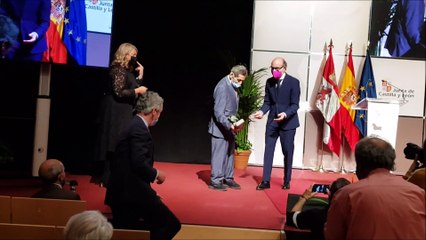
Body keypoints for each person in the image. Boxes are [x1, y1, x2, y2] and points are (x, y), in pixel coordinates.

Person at [105, 91, 181, 240]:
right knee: (170, 224)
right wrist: (157, 174)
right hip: (129, 194)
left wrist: (148, 191)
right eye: (159, 113)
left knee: (134, 230)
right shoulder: (139, 129)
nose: (159, 117)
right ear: (154, 111)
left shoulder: (134, 124)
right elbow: (138, 163)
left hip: (127, 192)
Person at [324, 136, 425, 240]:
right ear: (392, 163)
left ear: (360, 165)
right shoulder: (419, 193)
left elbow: (332, 235)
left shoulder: (346, 194)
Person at [95, 42, 148, 186]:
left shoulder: (127, 71)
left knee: (121, 143)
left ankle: (117, 176)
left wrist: (140, 74)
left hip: (123, 110)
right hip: (115, 110)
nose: (135, 58)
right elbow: (119, 92)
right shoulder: (117, 70)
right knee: (114, 143)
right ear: (125, 54)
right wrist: (137, 91)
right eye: (133, 55)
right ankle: (107, 178)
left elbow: (133, 88)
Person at [254, 57, 300, 190]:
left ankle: (286, 180)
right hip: (272, 122)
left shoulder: (293, 82)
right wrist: (262, 112)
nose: (274, 71)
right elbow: (267, 102)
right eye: (272, 68)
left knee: (287, 152)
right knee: (268, 151)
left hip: (288, 123)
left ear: (284, 68)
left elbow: (295, 105)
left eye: (277, 68)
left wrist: (285, 114)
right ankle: (265, 181)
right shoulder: (269, 82)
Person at [208, 65, 248, 191]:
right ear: (232, 75)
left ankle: (228, 178)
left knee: (229, 154)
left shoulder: (231, 85)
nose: (240, 83)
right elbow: (218, 112)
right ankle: (216, 180)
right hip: (220, 128)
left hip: (230, 127)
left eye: (242, 81)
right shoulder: (222, 87)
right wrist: (229, 124)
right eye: (239, 80)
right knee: (219, 154)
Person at [286, 178, 350, 240]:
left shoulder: (316, 215)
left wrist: (304, 198)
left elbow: (291, 218)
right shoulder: (355, 217)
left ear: (329, 193)